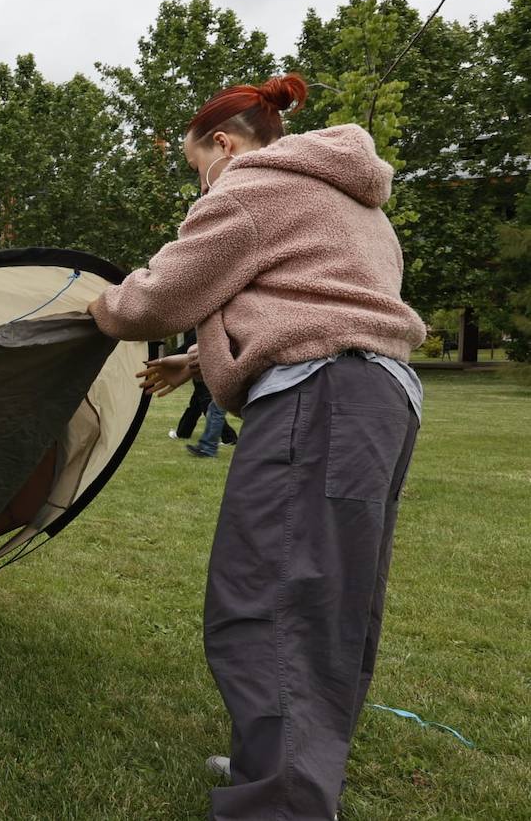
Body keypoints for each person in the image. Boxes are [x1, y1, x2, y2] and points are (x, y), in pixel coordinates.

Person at [90, 74, 426, 820]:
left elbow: (161, 296)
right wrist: (199, 359)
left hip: (322, 398)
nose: (201, 183)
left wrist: (97, 305)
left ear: (224, 143)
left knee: (274, 594)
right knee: (331, 597)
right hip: (376, 397)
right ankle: (276, 763)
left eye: (195, 165)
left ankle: (281, 802)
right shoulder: (348, 195)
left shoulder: (251, 185)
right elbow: (300, 294)